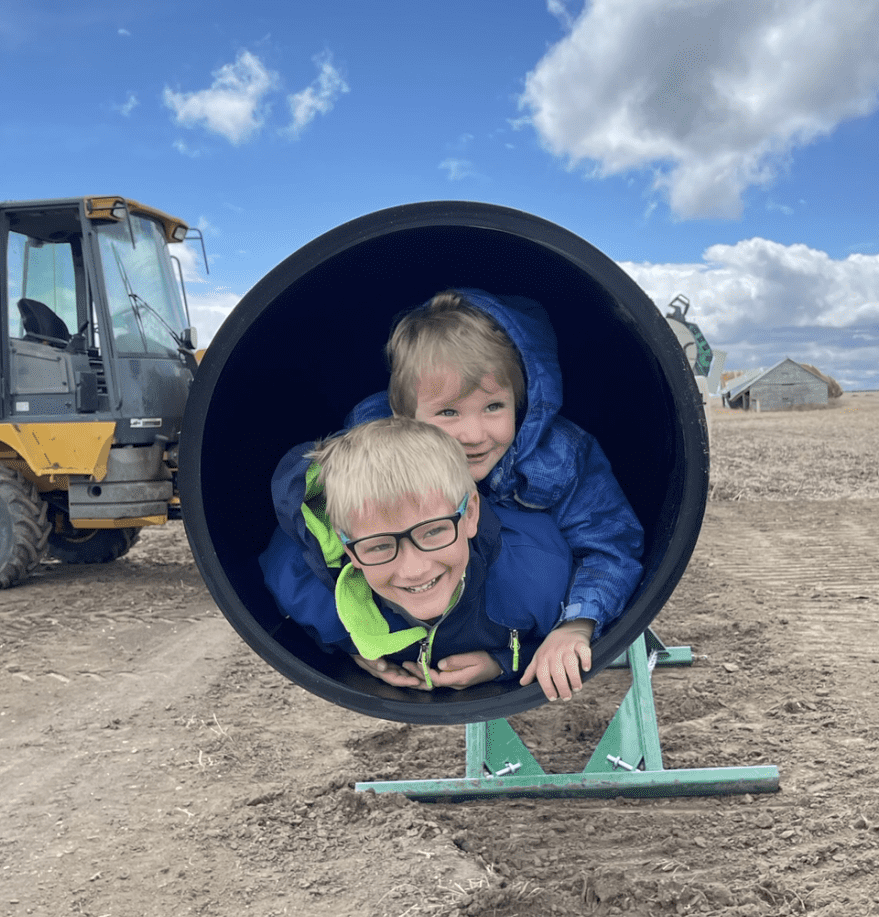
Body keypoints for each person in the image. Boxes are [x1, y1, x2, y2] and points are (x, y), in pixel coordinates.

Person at [343, 287, 644, 702]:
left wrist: (575, 627)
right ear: (405, 416)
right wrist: (361, 641)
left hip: (517, 606)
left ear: (521, 403)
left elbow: (610, 545)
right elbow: (353, 544)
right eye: (448, 412)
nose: (473, 435)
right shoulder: (373, 451)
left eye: (493, 407)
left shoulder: (561, 458)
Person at [260, 417, 578, 696]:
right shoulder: (304, 591)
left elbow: (574, 637)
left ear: (470, 515)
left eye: (433, 532)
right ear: (348, 549)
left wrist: (504, 664)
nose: (414, 569)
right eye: (380, 546)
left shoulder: (538, 576)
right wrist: (353, 650)